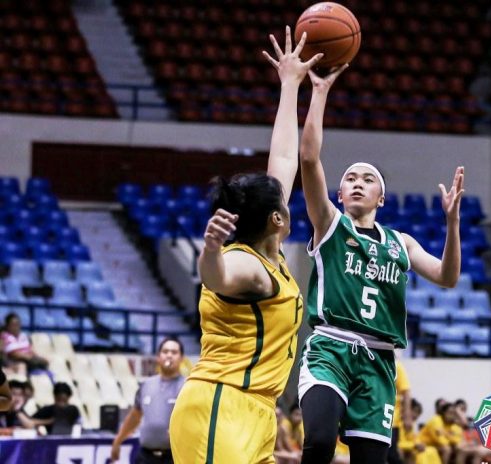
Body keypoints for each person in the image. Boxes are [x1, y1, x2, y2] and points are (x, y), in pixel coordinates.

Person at [298, 60, 465, 464]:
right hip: (331, 348)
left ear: (382, 198)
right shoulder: (330, 225)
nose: (356, 181)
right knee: (319, 442)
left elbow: (447, 277)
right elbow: (307, 159)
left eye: (367, 179)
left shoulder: (401, 243)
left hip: (379, 361)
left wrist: (452, 221)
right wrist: (318, 93)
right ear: (339, 195)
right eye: (350, 178)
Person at [169, 26, 322, 464]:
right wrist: (211, 250)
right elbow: (217, 278)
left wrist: (290, 85)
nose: (288, 196)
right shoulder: (246, 265)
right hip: (222, 404)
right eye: (284, 201)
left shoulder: (270, 257)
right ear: (277, 219)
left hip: (257, 413)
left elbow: (284, 159)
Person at [111, 337, 185, 464]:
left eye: (174, 352)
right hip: (145, 456)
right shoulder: (146, 385)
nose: (169, 356)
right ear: (158, 357)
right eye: (165, 351)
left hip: (173, 457)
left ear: (181, 358)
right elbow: (135, 416)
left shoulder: (187, 386)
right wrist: (118, 440)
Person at [399, 399, 441, 464]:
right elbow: (398, 444)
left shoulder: (410, 425)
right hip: (404, 449)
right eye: (415, 411)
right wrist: (415, 445)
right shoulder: (397, 423)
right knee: (418, 455)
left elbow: (414, 439)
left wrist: (419, 444)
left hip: (411, 446)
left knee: (432, 450)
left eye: (418, 414)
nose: (416, 416)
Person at [388, 358, 412, 464]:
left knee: (391, 454)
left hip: (392, 419)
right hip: (373, 418)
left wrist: (407, 416)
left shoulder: (396, 366)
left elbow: (406, 392)